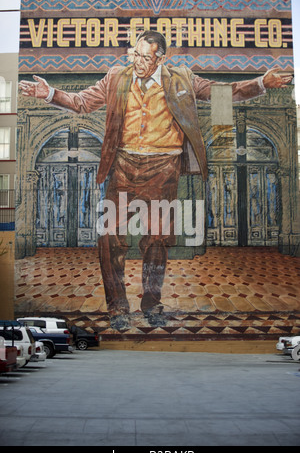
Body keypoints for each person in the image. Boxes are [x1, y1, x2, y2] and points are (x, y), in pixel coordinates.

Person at [19, 30, 293, 331]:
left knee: (157, 241)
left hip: (164, 168)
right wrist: (48, 94)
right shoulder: (117, 76)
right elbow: (83, 102)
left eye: (144, 57)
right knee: (109, 238)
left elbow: (220, 95)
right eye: (134, 54)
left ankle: (151, 304)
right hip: (123, 166)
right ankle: (118, 307)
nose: (136, 61)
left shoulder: (182, 77)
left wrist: (260, 84)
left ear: (160, 58)